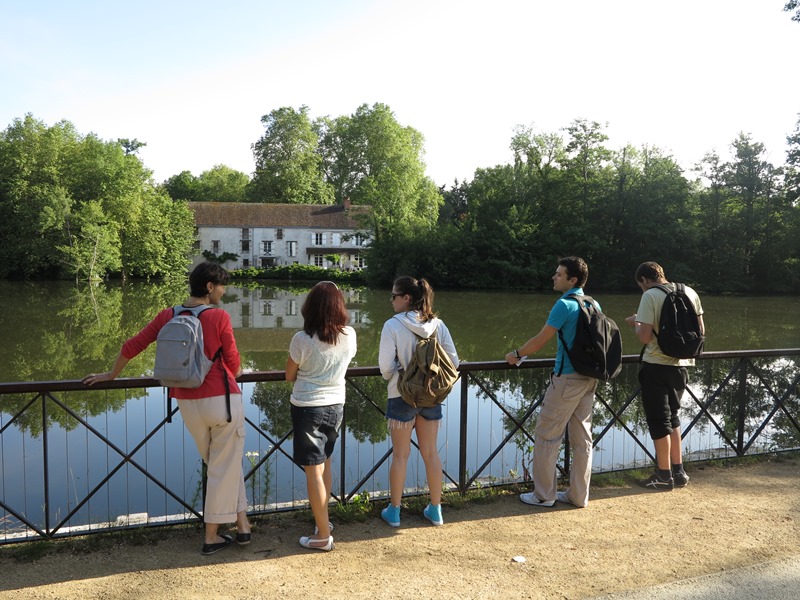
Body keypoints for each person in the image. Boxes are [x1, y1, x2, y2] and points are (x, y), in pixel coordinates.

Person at [84, 262, 248, 555]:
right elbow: (233, 363)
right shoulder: (219, 317)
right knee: (224, 467)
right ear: (209, 287)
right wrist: (235, 370)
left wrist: (111, 375)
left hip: (186, 401)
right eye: (222, 286)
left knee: (223, 465)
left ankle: (243, 526)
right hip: (221, 401)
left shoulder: (168, 315)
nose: (223, 292)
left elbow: (132, 345)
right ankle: (212, 537)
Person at [504, 256, 598, 508]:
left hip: (567, 379)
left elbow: (539, 340)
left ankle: (543, 495)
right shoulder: (593, 303)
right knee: (582, 440)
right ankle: (579, 496)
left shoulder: (564, 304)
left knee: (547, 435)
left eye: (558, 274)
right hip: (589, 379)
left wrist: (516, 355)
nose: (553, 277)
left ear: (572, 279)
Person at [378, 276, 458, 527]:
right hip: (431, 396)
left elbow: (384, 368)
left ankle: (394, 512)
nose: (391, 300)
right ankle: (436, 510)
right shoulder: (438, 325)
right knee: (431, 453)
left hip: (401, 396)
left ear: (406, 298)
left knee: (400, 456)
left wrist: (398, 377)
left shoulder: (392, 325)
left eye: (393, 296)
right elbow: (453, 362)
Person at [286, 281, 357, 552]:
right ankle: (322, 522)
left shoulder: (302, 339)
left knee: (313, 471)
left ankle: (323, 536)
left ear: (310, 307)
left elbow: (290, 375)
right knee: (325, 464)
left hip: (308, 408)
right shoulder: (349, 335)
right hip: (336, 405)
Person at [624, 261, 705, 490]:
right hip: (682, 365)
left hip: (657, 364)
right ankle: (678, 472)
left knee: (659, 421)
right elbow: (701, 331)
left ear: (643, 280)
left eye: (640, 285)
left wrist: (635, 322)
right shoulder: (689, 291)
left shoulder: (650, 295)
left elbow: (644, 337)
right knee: (674, 417)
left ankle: (663, 475)